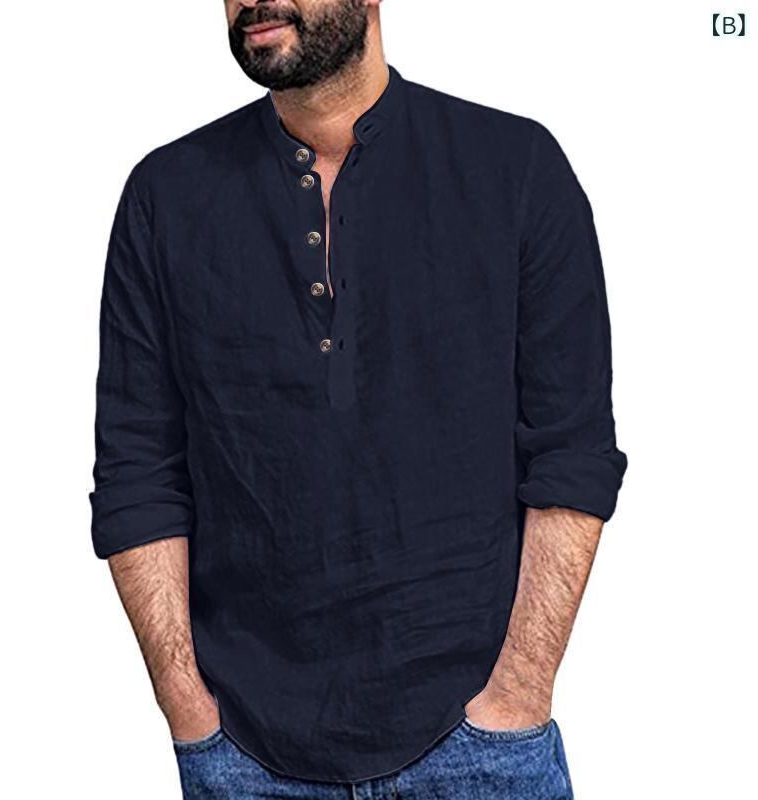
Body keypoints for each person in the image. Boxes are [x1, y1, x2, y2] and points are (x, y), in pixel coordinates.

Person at [89, 1, 628, 797]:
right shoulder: (165, 195)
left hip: (480, 746)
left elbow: (571, 456)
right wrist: (188, 710)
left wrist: (519, 690)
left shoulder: (514, 168)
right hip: (244, 754)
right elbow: (137, 472)